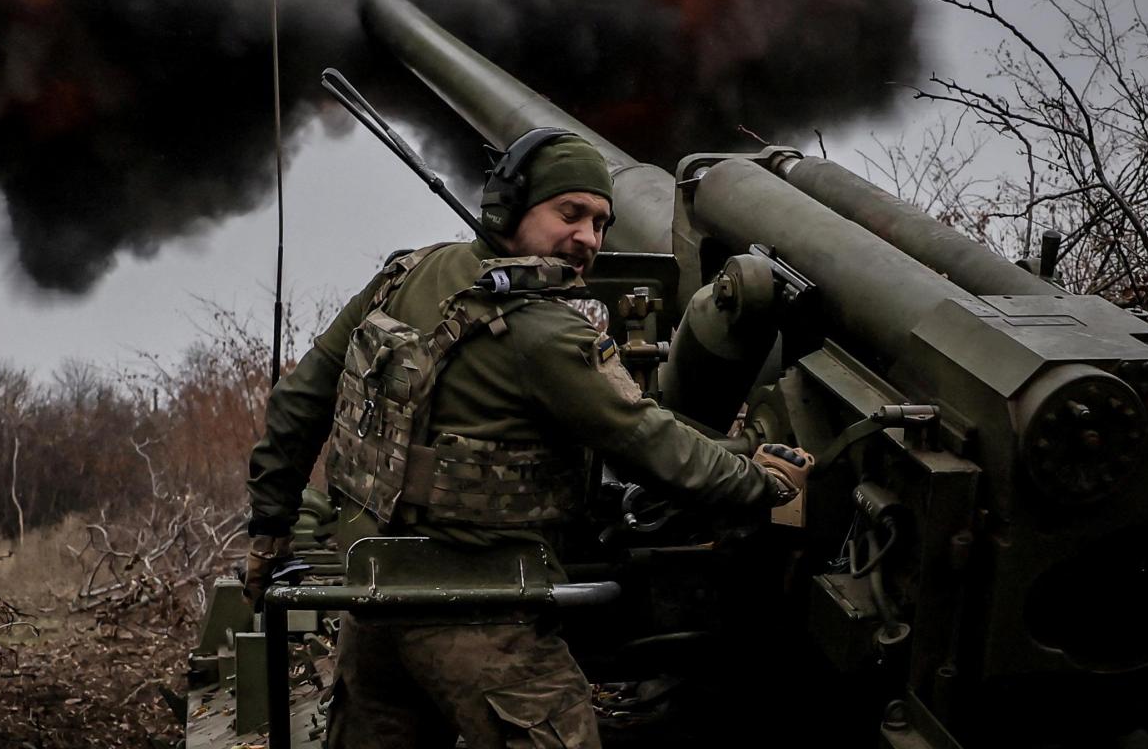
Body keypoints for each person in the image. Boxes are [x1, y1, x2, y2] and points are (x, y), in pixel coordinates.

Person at [243, 129, 813, 749]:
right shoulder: (546, 333)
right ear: (507, 210)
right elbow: (654, 446)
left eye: (600, 223)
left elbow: (300, 400)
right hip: (483, 619)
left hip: (375, 599)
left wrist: (269, 526)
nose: (588, 239)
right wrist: (762, 481)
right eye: (570, 214)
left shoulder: (405, 275)